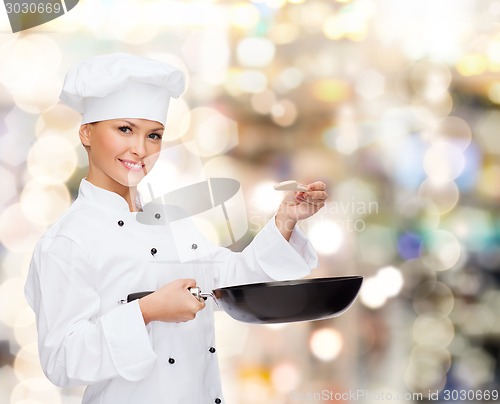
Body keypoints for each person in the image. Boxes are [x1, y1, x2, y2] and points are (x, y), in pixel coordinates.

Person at [24, 52, 328, 404]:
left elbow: (230, 279)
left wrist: (284, 221)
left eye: (154, 135)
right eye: (125, 129)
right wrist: (147, 311)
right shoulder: (66, 242)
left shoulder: (170, 222)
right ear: (87, 133)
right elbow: (62, 360)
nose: (139, 149)